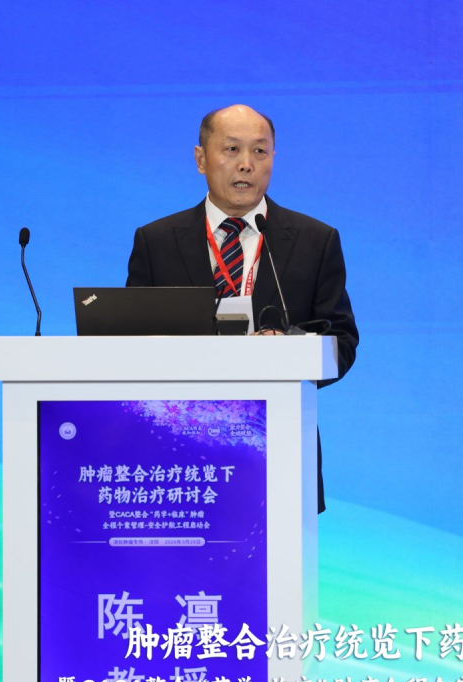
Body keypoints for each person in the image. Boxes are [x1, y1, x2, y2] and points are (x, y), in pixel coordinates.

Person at [126, 104, 358, 512]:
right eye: (232, 149)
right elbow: (126, 340)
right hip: (176, 450)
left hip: (277, 443)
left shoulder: (315, 240)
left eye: (260, 151)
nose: (246, 164)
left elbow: (342, 342)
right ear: (201, 159)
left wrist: (290, 347)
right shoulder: (156, 241)